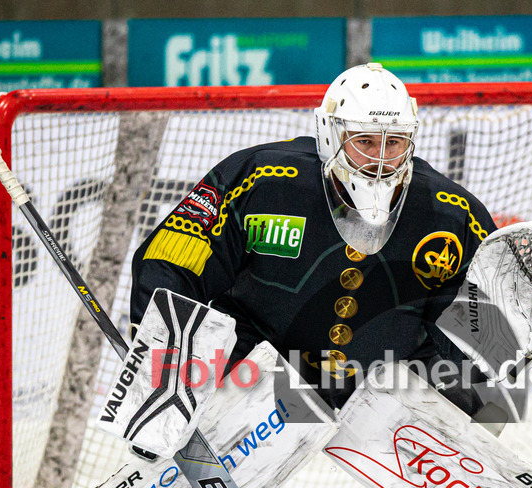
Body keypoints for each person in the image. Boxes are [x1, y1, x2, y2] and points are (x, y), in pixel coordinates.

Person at [130, 62, 495, 414]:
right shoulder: (260, 178)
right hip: (260, 364)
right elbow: (171, 260)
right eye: (365, 140)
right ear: (329, 133)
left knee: (479, 399)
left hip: (390, 376)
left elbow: (485, 324)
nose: (381, 159)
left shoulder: (453, 211)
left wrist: (510, 342)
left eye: (394, 142)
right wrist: (160, 349)